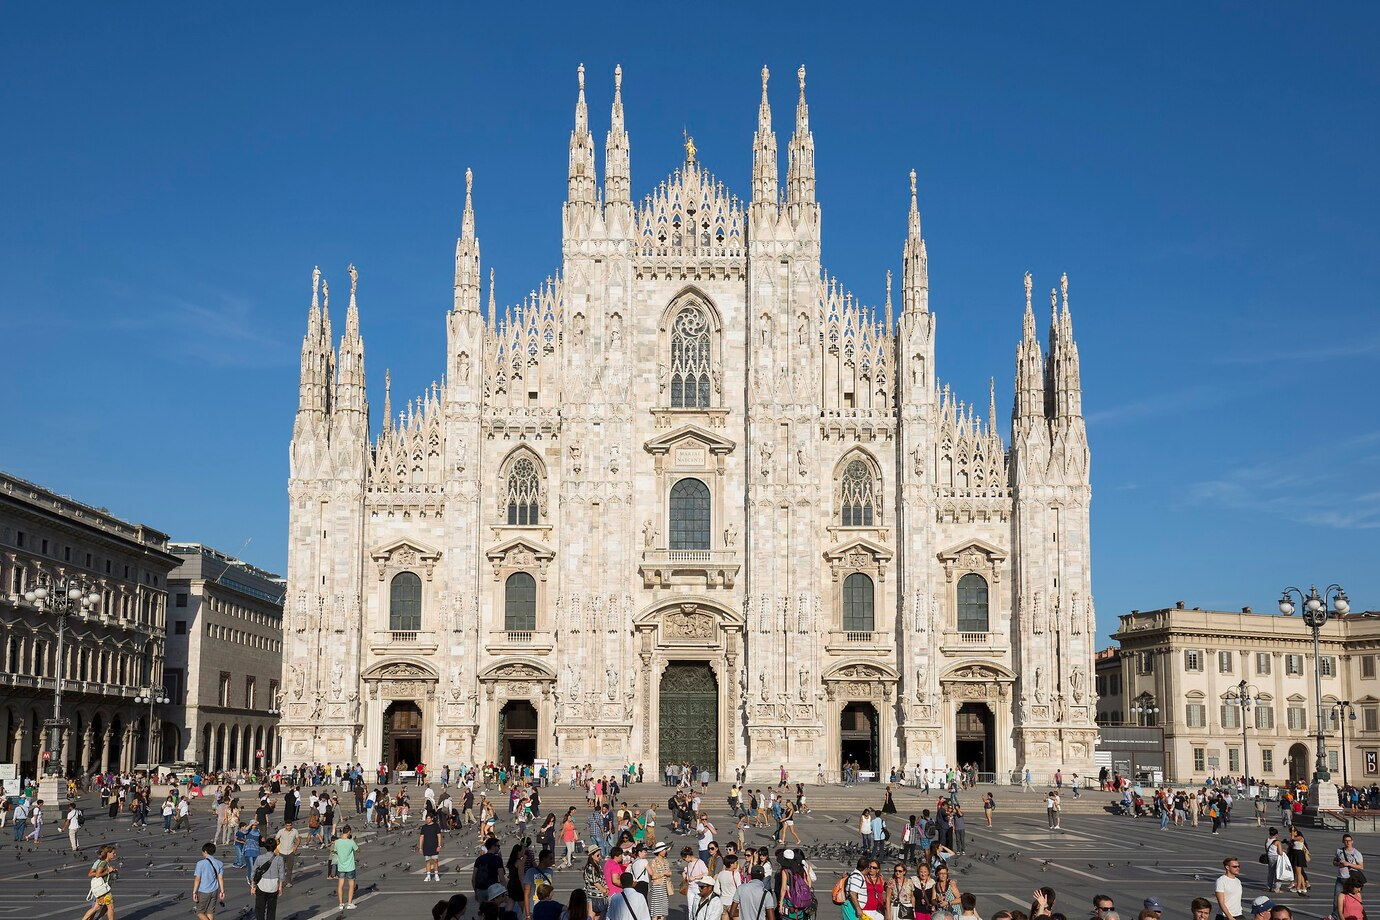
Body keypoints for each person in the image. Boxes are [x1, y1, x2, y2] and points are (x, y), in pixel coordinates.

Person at [251, 838, 285, 920]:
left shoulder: (259, 858)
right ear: (275, 846)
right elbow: (281, 874)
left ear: (265, 847)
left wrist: (252, 886)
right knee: (271, 909)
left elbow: (253, 872)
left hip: (261, 885)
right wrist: (280, 887)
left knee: (260, 909)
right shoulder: (279, 859)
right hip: (273, 886)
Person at [193, 842, 226, 920]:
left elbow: (197, 878)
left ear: (205, 851)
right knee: (210, 912)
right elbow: (220, 878)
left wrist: (194, 892)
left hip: (204, 891)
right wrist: (222, 891)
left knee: (199, 912)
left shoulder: (200, 863)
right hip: (214, 890)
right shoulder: (219, 863)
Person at [334, 824, 360, 910]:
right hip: (350, 867)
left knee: (340, 885)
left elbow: (335, 851)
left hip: (341, 867)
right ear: (349, 832)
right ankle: (349, 903)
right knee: (351, 885)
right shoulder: (351, 842)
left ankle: (341, 904)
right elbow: (358, 850)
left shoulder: (337, 842)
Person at [1335, 833, 1364, 902]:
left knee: (1353, 897)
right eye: (1346, 841)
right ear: (1343, 841)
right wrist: (1339, 863)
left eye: (1349, 840)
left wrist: (1348, 864)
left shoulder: (1356, 853)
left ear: (1352, 841)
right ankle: (1335, 913)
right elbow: (1334, 862)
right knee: (1337, 897)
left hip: (1351, 879)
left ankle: (1357, 910)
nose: (1348, 842)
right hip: (1340, 878)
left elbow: (1361, 867)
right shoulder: (1339, 851)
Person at [420, 812, 444, 882]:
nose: (427, 820)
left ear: (432, 819)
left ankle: (436, 875)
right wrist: (420, 847)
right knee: (427, 861)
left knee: (435, 861)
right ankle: (428, 875)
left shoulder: (436, 826)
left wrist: (439, 845)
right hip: (426, 846)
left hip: (434, 845)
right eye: (426, 818)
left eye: (428, 818)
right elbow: (421, 837)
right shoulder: (424, 827)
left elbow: (439, 836)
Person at [275, 820, 300, 888]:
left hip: (290, 852)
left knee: (290, 868)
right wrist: (276, 847)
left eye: (290, 825)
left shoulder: (295, 831)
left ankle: (288, 882)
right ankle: (281, 882)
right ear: (285, 825)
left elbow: (298, 839)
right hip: (282, 852)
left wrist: (295, 847)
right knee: (281, 868)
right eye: (287, 825)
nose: (289, 827)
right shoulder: (281, 831)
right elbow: (276, 838)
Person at [1288, 827, 1310, 894]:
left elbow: (1292, 838)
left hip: (1299, 854)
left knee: (1298, 873)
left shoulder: (1300, 837)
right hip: (1296, 854)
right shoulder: (1296, 838)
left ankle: (1298, 887)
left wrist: (1292, 830)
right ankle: (1303, 887)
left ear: (1295, 832)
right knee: (1299, 873)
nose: (1291, 833)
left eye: (1292, 832)